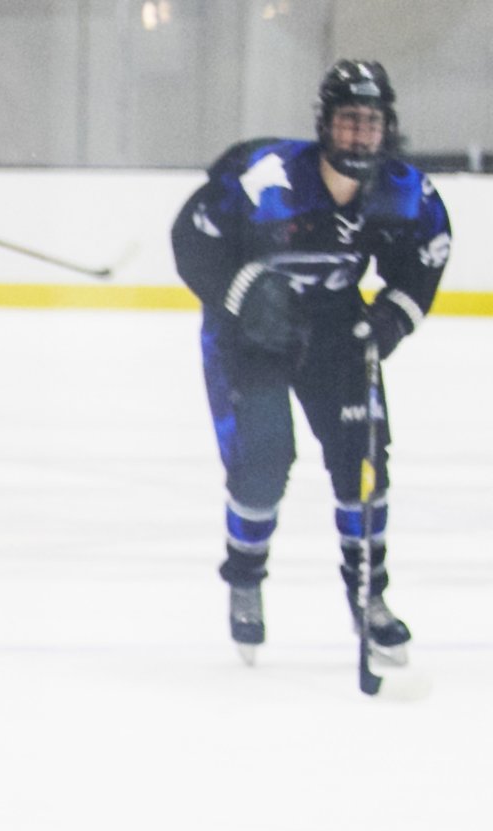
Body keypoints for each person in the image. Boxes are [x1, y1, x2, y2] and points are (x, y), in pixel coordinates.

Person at [171, 59, 450, 664]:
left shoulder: (403, 193)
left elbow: (424, 261)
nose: (359, 135)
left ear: (386, 128)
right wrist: (245, 292)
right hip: (250, 335)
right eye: (348, 121)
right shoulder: (266, 176)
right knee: (265, 460)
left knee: (364, 462)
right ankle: (245, 577)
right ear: (324, 124)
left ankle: (368, 597)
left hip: (333, 330)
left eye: (370, 123)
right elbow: (191, 239)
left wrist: (391, 318)